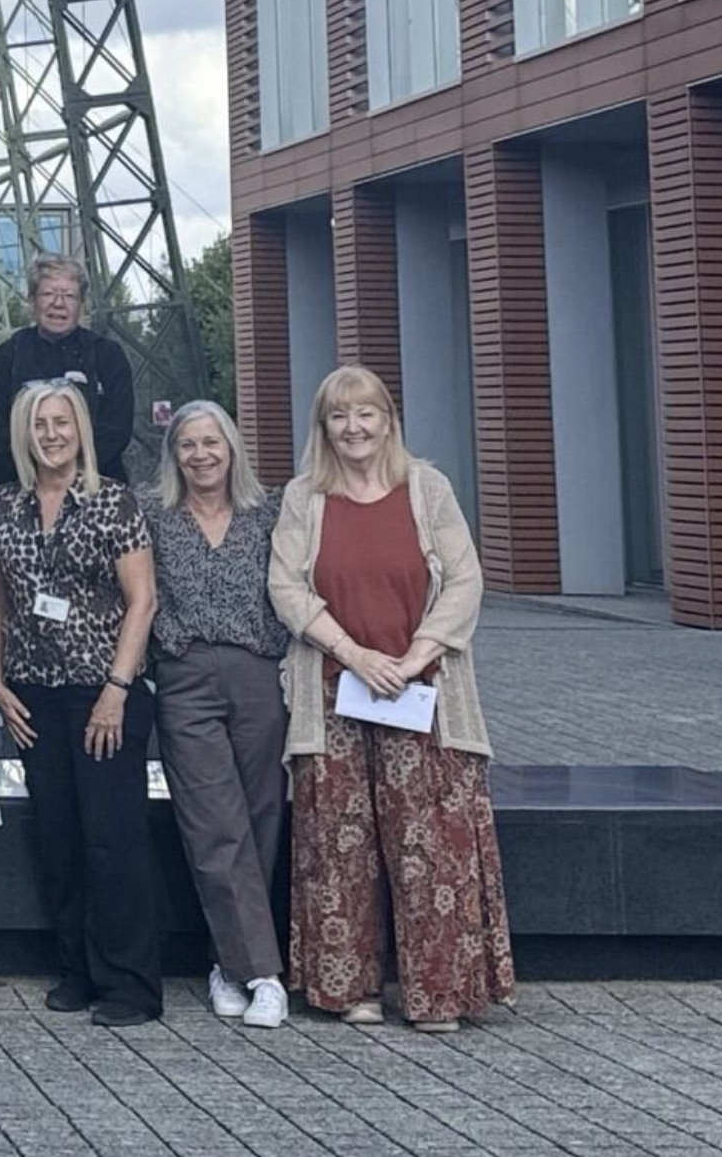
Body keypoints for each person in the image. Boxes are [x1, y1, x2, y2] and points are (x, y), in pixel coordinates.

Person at [270, 366, 512, 1031]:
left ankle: (439, 994)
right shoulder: (303, 499)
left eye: (366, 414)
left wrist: (415, 656)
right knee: (338, 848)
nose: (354, 429)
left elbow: (465, 578)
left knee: (431, 846)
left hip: (424, 694)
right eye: (339, 417)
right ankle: (352, 990)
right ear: (323, 429)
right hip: (336, 694)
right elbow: (286, 588)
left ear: (388, 420)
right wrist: (356, 655)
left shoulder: (427, 489)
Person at [0, 380, 162, 1027]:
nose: (51, 434)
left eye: (61, 422)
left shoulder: (114, 501)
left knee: (111, 841)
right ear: (23, 435)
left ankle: (131, 984)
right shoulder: (5, 506)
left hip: (100, 692)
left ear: (80, 429)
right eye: (39, 424)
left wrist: (117, 690)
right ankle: (77, 969)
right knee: (57, 838)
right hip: (33, 694)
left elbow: (141, 599)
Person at [143, 401, 289, 1030]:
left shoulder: (269, 513)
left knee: (260, 821)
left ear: (233, 448)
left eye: (212, 443)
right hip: (185, 676)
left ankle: (225, 963)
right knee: (212, 824)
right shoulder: (153, 514)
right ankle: (264, 974)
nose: (201, 455)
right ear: (173, 455)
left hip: (257, 674)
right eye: (187, 446)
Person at [0, 252, 136, 491]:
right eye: (49, 294)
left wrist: (69, 475)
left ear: (82, 304)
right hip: (21, 487)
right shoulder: (6, 357)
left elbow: (117, 430)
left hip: (97, 488)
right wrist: (42, 476)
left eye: (69, 296)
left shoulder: (107, 356)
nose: (58, 303)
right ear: (32, 300)